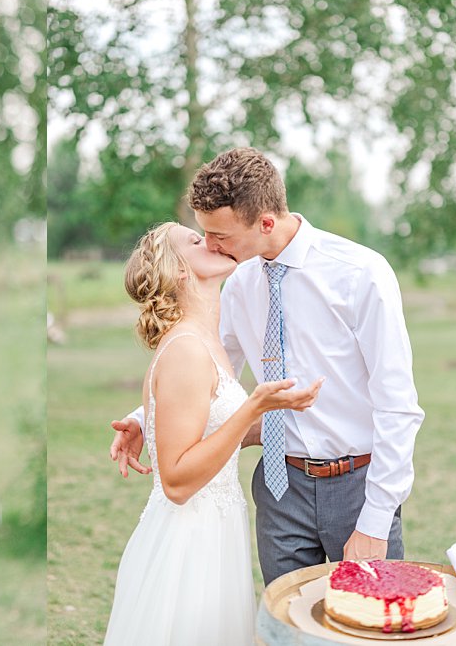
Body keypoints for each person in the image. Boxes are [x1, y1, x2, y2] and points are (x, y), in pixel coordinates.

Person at [108, 147, 424, 584]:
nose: (211, 246)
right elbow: (216, 376)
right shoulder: (236, 283)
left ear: (266, 223)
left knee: (368, 624)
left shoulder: (361, 275)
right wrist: (146, 418)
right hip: (279, 490)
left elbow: (398, 406)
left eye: (220, 235)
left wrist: (375, 519)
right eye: (204, 234)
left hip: (358, 486)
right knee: (286, 626)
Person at [100, 221, 318, 644]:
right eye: (197, 240)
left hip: (217, 530)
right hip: (188, 543)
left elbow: (216, 429)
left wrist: (283, 413)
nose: (212, 241)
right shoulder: (186, 349)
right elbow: (177, 482)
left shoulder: (207, 339)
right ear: (180, 270)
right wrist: (254, 405)